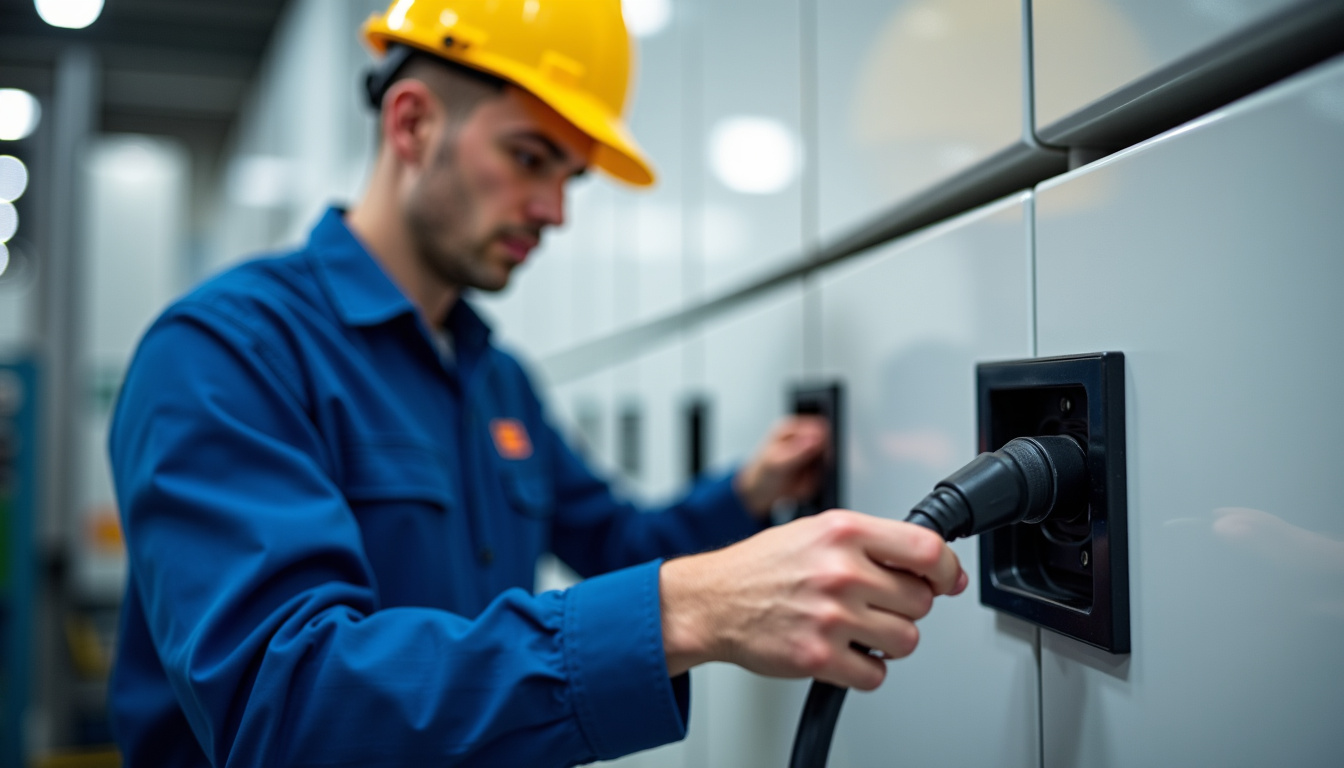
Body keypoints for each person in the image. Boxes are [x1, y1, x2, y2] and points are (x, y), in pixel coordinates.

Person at [107, 1, 967, 765]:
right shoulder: (227, 352)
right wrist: (686, 612)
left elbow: (620, 543)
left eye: (569, 177)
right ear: (412, 124)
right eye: (530, 158)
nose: (555, 211)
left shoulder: (495, 381)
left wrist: (749, 492)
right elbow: (285, 707)